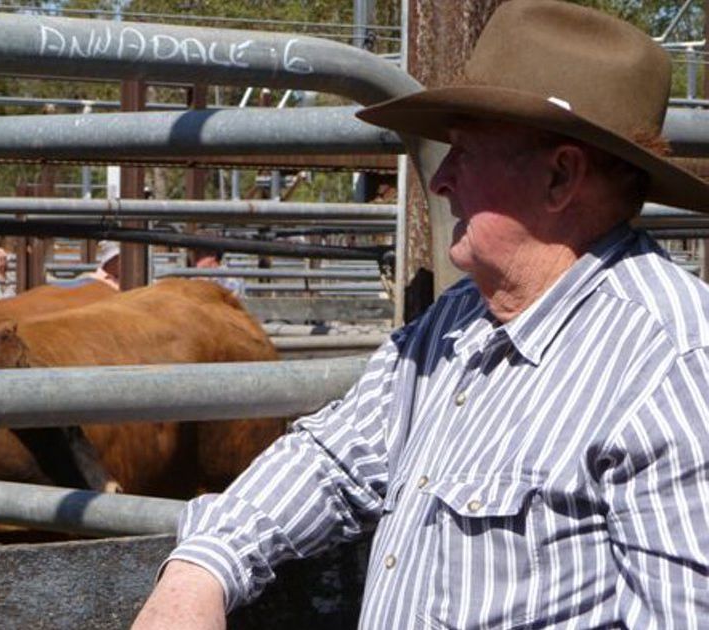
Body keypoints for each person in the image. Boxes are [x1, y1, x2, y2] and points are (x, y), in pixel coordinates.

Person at [134, 2, 709, 628]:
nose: (442, 182)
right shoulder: (456, 322)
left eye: (465, 152)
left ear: (560, 176)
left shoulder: (669, 365)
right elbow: (332, 458)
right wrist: (203, 568)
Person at [56, 240, 121, 291]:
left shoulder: (124, 279)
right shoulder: (91, 278)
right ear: (109, 262)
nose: (121, 264)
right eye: (118, 260)